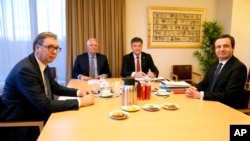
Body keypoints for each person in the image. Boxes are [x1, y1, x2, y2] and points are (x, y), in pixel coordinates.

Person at [0, 32, 95, 141]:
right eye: (50, 47)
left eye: (56, 48)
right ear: (37, 48)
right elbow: (45, 105)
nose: (54, 52)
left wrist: (79, 92)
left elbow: (55, 87)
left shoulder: (41, 64)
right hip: (23, 122)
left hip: (36, 111)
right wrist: (82, 102)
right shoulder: (26, 70)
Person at [185, 34, 247, 109]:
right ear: (215, 49)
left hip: (226, 108)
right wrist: (194, 88)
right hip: (209, 104)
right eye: (218, 47)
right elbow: (204, 83)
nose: (222, 49)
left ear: (233, 48)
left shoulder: (239, 68)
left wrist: (200, 95)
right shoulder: (214, 64)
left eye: (226, 46)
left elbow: (230, 95)